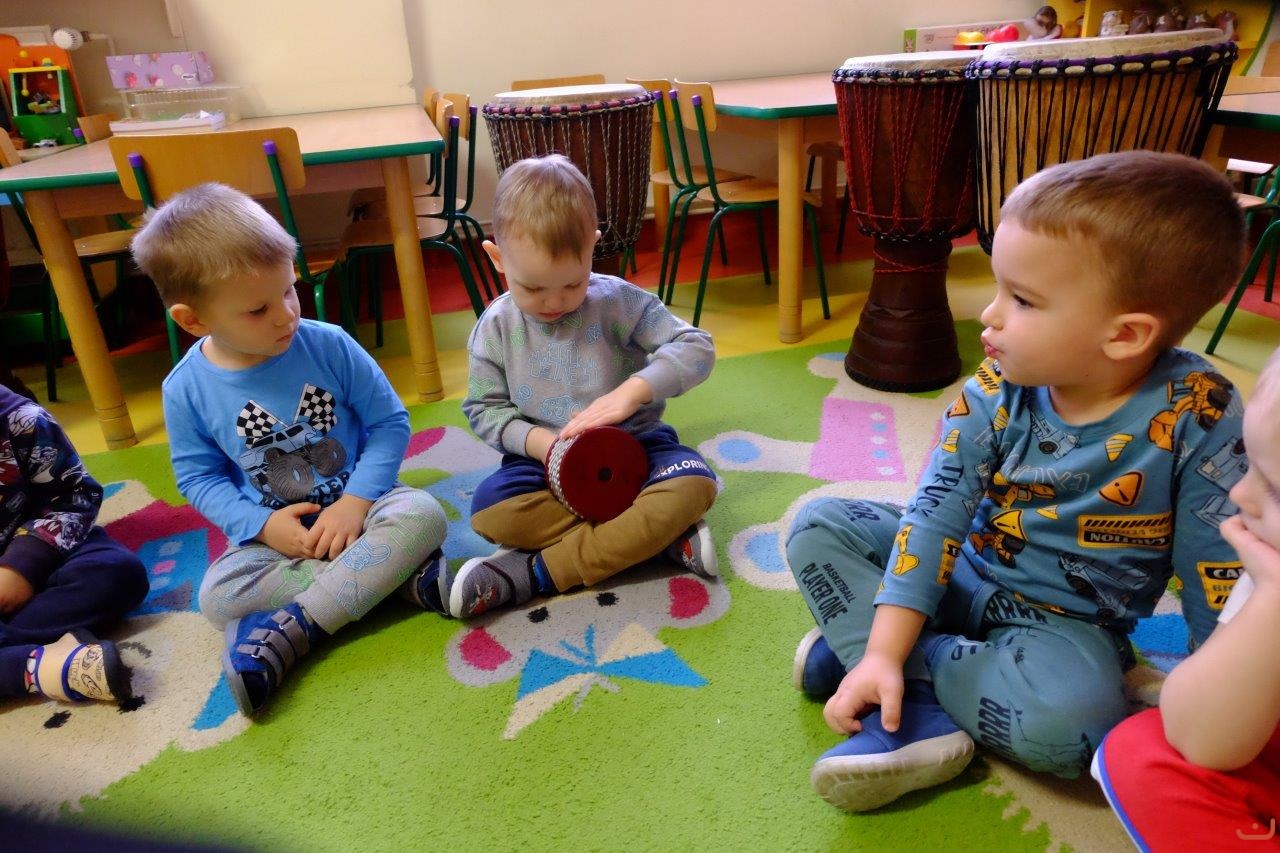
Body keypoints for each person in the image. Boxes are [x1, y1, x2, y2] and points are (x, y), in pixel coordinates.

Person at [785, 150, 1249, 811]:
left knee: (1075, 732)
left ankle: (883, 659)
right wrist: (882, 651)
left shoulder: (1199, 413)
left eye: (1022, 299)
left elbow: (1215, 564)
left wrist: (1216, 693)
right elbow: (933, 517)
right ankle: (901, 685)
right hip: (960, 572)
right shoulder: (997, 385)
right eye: (999, 288)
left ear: (1125, 335)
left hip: (1065, 625)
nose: (990, 316)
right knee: (818, 525)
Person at [131, 182, 449, 717]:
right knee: (218, 597)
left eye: (290, 290)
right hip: (280, 536)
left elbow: (389, 423)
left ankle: (299, 625)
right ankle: (394, 578)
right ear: (193, 320)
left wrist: (355, 501)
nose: (285, 315)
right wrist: (261, 526)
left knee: (424, 516)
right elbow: (199, 479)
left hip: (367, 506)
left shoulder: (329, 344)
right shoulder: (185, 389)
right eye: (258, 309)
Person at [453, 154, 718, 618]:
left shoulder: (619, 301)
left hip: (636, 448)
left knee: (695, 483)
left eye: (573, 284)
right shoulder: (495, 328)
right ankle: (655, 539)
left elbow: (697, 346)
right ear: (497, 258)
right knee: (490, 511)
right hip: (542, 463)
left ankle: (536, 573)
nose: (554, 302)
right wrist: (543, 445)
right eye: (533, 288)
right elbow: (484, 409)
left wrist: (632, 391)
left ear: (593, 247)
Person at [1092, 346, 1280, 848]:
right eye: (1251, 466)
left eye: (1276, 491)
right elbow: (1201, 738)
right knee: (1139, 750)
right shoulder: (1269, 565)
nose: (1240, 495)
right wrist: (1272, 601)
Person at [0, 385, 148, 703]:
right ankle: (34, 668)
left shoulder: (21, 420)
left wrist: (21, 566)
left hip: (44, 546)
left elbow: (73, 499)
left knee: (117, 573)